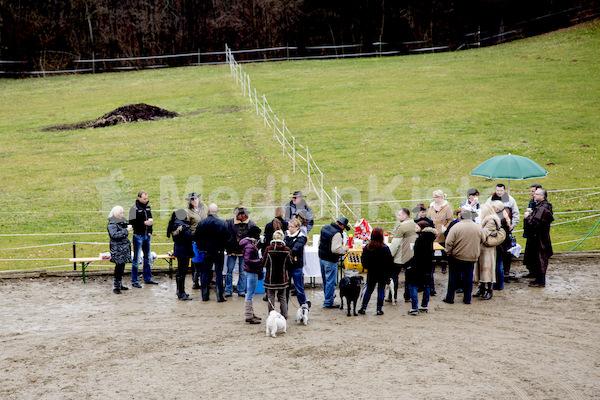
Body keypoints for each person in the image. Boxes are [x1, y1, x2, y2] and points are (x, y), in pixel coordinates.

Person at [443, 209, 485, 305]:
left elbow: (449, 242)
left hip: (457, 256)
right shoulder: (477, 227)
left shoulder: (456, 227)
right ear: (470, 217)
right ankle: (467, 299)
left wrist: (448, 252)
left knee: (453, 277)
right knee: (468, 278)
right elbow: (483, 239)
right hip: (471, 257)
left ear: (460, 217)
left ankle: (450, 298)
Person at [194, 203, 231, 302]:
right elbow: (228, 238)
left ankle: (205, 295)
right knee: (219, 273)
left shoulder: (202, 223)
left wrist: (201, 248)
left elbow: (197, 237)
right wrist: (226, 248)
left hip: (207, 251)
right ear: (217, 211)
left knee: (206, 273)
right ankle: (219, 296)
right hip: (219, 251)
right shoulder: (223, 223)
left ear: (208, 211)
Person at [404, 221, 437, 315]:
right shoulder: (430, 239)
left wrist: (407, 264)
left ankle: (414, 307)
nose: (415, 229)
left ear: (422, 229)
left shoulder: (420, 240)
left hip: (418, 266)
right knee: (426, 286)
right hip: (427, 266)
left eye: (417, 227)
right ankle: (424, 305)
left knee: (412, 285)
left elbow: (417, 256)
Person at [358, 227, 393, 316]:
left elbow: (363, 261)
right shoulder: (385, 248)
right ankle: (379, 309)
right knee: (381, 290)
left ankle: (363, 308)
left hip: (372, 272)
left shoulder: (367, 248)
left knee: (369, 290)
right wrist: (389, 274)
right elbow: (389, 262)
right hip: (383, 273)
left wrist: (368, 268)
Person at [524, 188, 554, 287]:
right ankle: (537, 277)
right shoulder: (542, 206)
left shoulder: (543, 208)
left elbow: (535, 223)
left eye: (536, 194)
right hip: (538, 237)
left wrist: (527, 216)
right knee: (536, 257)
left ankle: (540, 280)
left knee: (540, 258)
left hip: (540, 238)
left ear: (542, 196)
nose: (534, 195)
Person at [318, 217, 350, 308]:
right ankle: (328, 302)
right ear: (342, 225)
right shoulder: (337, 234)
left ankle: (328, 297)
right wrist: (344, 249)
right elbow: (335, 249)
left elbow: (319, 242)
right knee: (331, 282)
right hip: (330, 260)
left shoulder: (325, 227)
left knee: (325, 280)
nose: (344, 229)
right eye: (344, 227)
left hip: (322, 257)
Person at [225, 206, 257, 297]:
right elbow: (227, 237)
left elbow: (254, 238)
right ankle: (228, 290)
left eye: (239, 214)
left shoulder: (251, 224)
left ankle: (241, 290)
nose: (237, 216)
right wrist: (228, 250)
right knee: (229, 271)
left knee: (242, 271)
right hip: (232, 251)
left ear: (244, 215)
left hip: (244, 252)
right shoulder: (229, 222)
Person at [128, 190, 158, 287]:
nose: (146, 200)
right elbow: (131, 223)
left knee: (147, 257)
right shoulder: (134, 209)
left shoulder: (148, 207)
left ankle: (147, 278)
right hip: (138, 236)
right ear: (139, 198)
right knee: (136, 259)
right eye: (144, 199)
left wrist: (150, 231)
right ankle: (135, 280)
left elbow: (150, 218)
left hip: (146, 236)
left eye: (147, 198)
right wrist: (143, 223)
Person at [474, 203, 502, 300]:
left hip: (487, 248)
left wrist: (476, 230)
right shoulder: (486, 219)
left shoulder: (491, 221)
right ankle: (482, 288)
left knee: (487, 268)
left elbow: (484, 233)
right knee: (481, 267)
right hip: (482, 247)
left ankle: (489, 290)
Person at [263, 230, 293, 319]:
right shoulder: (286, 250)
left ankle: (271, 316)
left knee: (271, 298)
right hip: (282, 278)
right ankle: (284, 315)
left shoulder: (268, 249)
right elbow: (290, 263)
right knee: (282, 298)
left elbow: (264, 263)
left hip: (270, 278)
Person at [388, 208, 416, 303]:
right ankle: (408, 296)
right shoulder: (415, 225)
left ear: (405, 216)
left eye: (399, 215)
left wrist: (390, 255)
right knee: (409, 278)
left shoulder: (401, 228)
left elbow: (395, 244)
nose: (397, 216)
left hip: (400, 257)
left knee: (394, 276)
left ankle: (393, 296)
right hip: (411, 256)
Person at [167, 209, 194, 301]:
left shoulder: (175, 224)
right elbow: (190, 236)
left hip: (179, 249)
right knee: (182, 272)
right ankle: (181, 293)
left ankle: (180, 291)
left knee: (180, 272)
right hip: (184, 250)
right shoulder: (183, 226)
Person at [240, 226, 263, 324]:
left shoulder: (248, 243)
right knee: (250, 294)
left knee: (250, 294)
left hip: (250, 271)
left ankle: (250, 313)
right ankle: (249, 315)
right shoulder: (250, 246)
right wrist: (260, 261)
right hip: (252, 271)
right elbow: (248, 260)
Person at [107, 206, 132, 294]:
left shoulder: (121, 222)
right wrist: (126, 231)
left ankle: (119, 284)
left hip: (123, 247)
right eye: (120, 213)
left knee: (121, 266)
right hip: (117, 248)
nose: (122, 215)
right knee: (118, 266)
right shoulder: (112, 223)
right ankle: (116, 286)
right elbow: (114, 235)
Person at [284, 218, 309, 307]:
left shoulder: (301, 237)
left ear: (297, 227)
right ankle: (284, 309)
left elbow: (295, 249)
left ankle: (303, 307)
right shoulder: (286, 235)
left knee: (299, 288)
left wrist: (286, 251)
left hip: (296, 266)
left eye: (292, 227)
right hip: (287, 266)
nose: (289, 229)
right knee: (285, 288)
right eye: (289, 226)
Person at [186, 192, 208, 290]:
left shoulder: (205, 208)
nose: (194, 201)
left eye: (195, 199)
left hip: (205, 238)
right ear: (190, 201)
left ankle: (205, 280)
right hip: (194, 239)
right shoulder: (188, 212)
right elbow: (187, 225)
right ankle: (195, 281)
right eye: (192, 199)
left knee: (205, 260)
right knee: (196, 261)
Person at [491, 200, 512, 291]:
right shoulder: (504, 215)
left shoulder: (498, 218)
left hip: (500, 244)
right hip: (505, 243)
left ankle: (499, 284)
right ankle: (499, 283)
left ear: (496, 208)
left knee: (497, 264)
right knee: (498, 263)